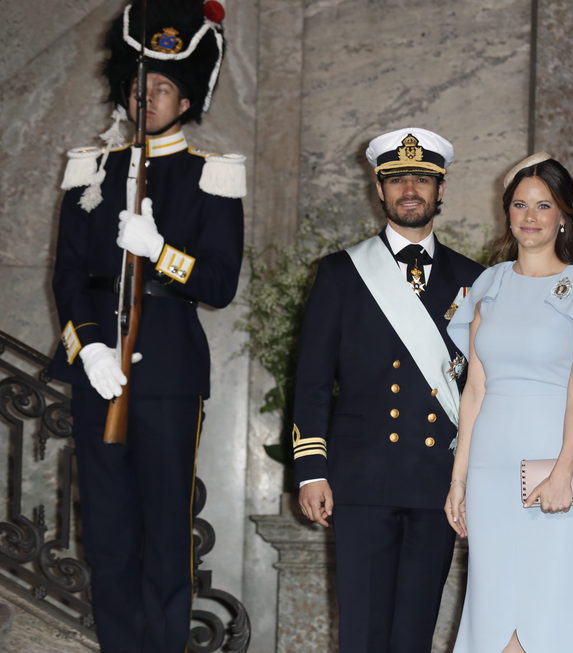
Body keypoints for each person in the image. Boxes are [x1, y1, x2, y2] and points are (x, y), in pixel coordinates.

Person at [47, 1, 244, 651]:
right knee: (105, 534)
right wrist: (89, 345)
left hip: (167, 371)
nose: (146, 97)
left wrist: (161, 251)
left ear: (185, 101)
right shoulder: (90, 170)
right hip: (98, 372)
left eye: (162, 88)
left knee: (165, 533)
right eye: (139, 85)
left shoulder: (212, 177)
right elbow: (69, 275)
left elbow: (219, 283)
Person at [292, 127, 483, 652]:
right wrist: (311, 470)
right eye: (397, 178)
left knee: (413, 635)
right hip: (362, 481)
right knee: (363, 634)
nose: (410, 189)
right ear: (379, 190)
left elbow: (483, 390)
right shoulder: (338, 274)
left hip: (436, 485)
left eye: (423, 177)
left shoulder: (477, 279)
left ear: (441, 190)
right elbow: (310, 382)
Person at [444, 153, 573, 653]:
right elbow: (474, 390)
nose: (530, 216)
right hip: (489, 467)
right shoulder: (489, 285)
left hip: (554, 463)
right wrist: (458, 479)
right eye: (520, 204)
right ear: (507, 213)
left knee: (552, 608)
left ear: (562, 215)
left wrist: (565, 470)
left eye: (543, 205)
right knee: (492, 607)